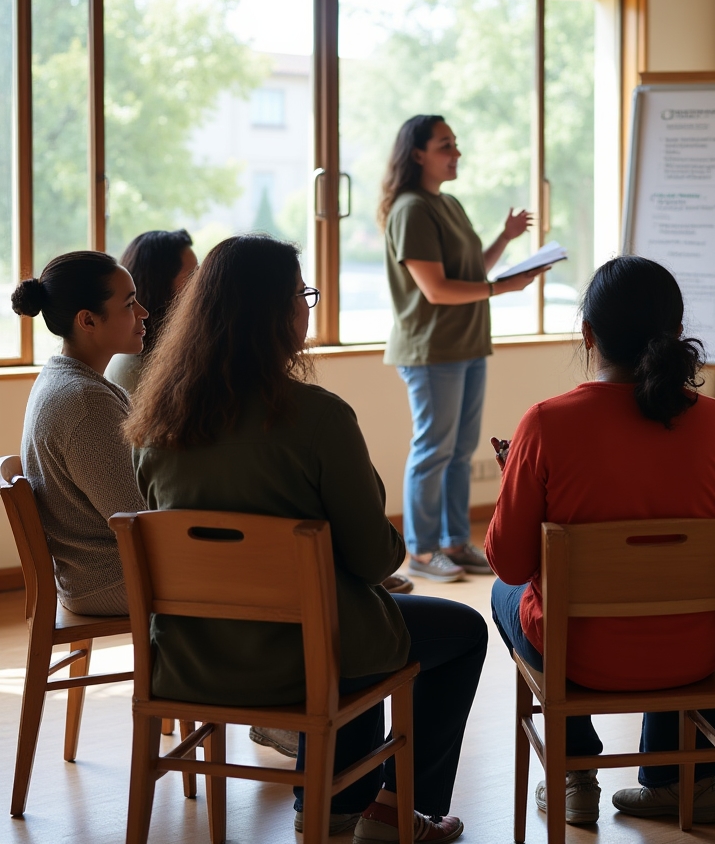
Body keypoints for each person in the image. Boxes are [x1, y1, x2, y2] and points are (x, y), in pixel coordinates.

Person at [125, 234, 486, 843]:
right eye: (301, 293)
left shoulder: (154, 424)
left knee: (345, 623)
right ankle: (379, 811)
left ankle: (340, 803)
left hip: (190, 658)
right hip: (305, 659)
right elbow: (375, 560)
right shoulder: (318, 417)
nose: (307, 305)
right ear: (273, 312)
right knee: (451, 628)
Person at [485, 256, 715, 827]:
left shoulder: (546, 424)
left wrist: (520, 483)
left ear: (587, 334)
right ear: (676, 334)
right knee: (673, 592)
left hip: (581, 658)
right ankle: (693, 780)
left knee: (503, 596)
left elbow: (508, 564)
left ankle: (575, 775)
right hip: (695, 653)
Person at [380, 114, 542, 583]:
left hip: (467, 343)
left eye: (456, 144)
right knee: (433, 449)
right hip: (432, 349)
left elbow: (469, 270)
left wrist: (505, 242)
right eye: (445, 145)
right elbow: (435, 289)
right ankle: (423, 551)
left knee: (459, 449)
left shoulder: (446, 203)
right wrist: (501, 289)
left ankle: (453, 541)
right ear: (418, 155)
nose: (456, 153)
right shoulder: (411, 208)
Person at [10, 251, 149, 616]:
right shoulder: (84, 402)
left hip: (92, 573)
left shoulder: (67, 378)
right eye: (130, 304)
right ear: (88, 320)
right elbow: (138, 518)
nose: (143, 313)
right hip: (109, 579)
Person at [105, 228, 198, 394]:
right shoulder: (133, 367)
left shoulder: (183, 344)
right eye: (192, 275)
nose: (200, 284)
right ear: (160, 285)